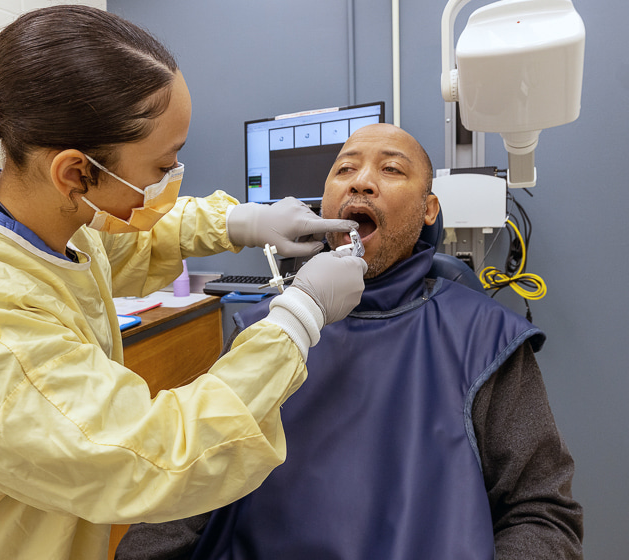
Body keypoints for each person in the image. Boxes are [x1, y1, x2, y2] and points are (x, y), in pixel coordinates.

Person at [0, 5, 369, 560]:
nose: (172, 181)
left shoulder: (52, 220)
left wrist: (241, 221)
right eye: (162, 167)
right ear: (75, 172)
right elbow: (151, 456)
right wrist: (300, 315)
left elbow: (132, 237)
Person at [115, 123, 584, 560]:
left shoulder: (485, 340)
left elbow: (541, 514)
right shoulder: (265, 331)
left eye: (391, 169)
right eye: (344, 169)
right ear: (323, 200)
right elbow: (187, 483)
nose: (360, 182)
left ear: (428, 209)